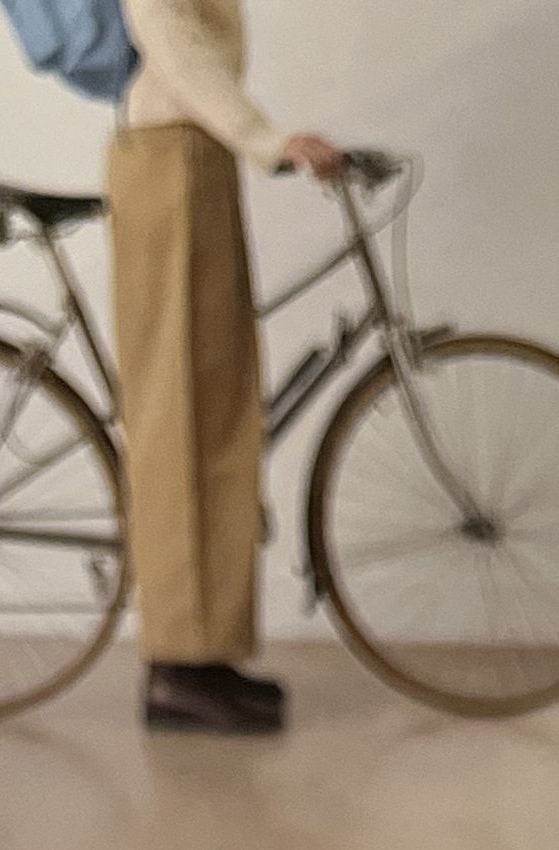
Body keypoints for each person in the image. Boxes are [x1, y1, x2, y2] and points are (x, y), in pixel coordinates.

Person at [108, 0, 342, 734]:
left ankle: (205, 654)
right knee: (181, 415)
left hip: (192, 154)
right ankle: (178, 668)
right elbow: (164, 29)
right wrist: (266, 139)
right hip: (174, 153)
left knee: (211, 411)